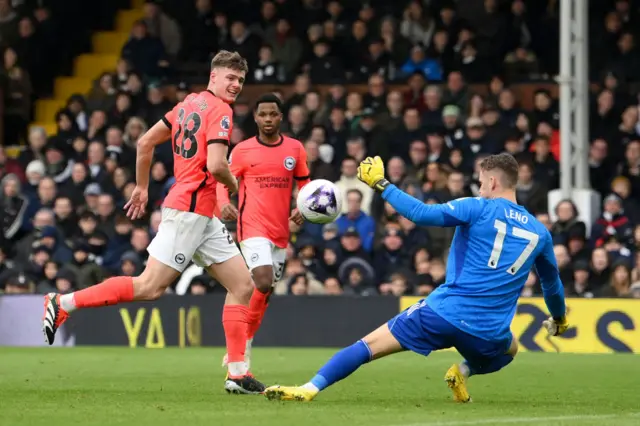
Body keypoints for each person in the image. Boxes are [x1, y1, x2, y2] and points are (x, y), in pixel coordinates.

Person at [42, 50, 266, 395]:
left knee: (243, 286)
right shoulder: (221, 111)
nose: (235, 85)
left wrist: (143, 186)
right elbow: (219, 165)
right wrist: (235, 187)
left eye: (240, 80)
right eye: (230, 78)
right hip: (189, 211)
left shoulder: (188, 104)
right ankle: (63, 303)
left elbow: (145, 141)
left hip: (199, 214)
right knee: (149, 287)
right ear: (214, 76)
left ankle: (237, 373)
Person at [263, 153, 569, 402]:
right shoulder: (540, 232)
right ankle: (463, 371)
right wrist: (558, 319)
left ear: (491, 181)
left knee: (367, 346)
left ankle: (309, 389)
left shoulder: (477, 207)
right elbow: (551, 283)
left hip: (444, 313)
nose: (479, 188)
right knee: (510, 348)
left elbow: (422, 214)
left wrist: (382, 184)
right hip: (488, 332)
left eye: (480, 183)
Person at [217, 93, 310, 369]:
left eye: (273, 114)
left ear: (280, 117)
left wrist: (303, 208)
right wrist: (223, 204)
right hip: (252, 226)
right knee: (262, 280)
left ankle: (245, 340)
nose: (268, 119)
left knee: (265, 292)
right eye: (263, 115)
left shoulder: (295, 149)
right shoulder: (243, 150)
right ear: (256, 118)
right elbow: (222, 182)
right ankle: (242, 345)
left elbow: (306, 184)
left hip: (280, 231)